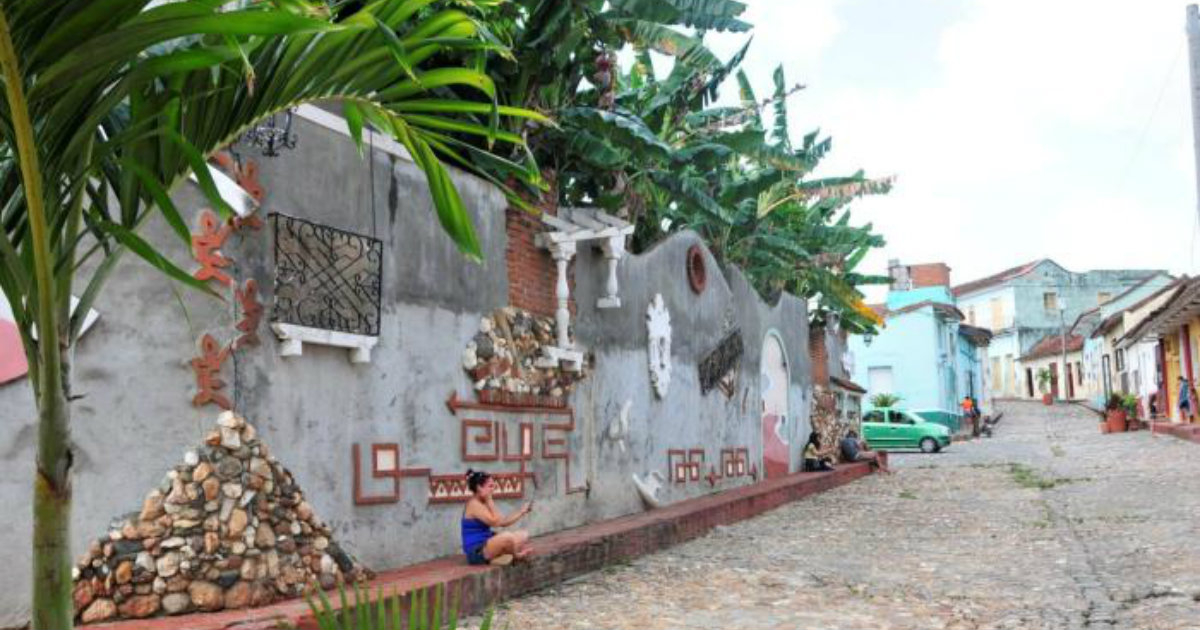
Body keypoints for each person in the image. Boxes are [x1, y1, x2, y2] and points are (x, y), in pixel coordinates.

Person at [461, 470, 533, 566]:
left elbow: (502, 522)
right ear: (479, 487)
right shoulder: (474, 504)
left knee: (523, 534)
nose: (492, 489)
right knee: (507, 537)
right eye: (490, 486)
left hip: (488, 543)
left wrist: (522, 512)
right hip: (477, 552)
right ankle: (516, 556)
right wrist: (490, 500)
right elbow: (496, 522)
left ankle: (499, 556)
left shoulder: (483, 502)